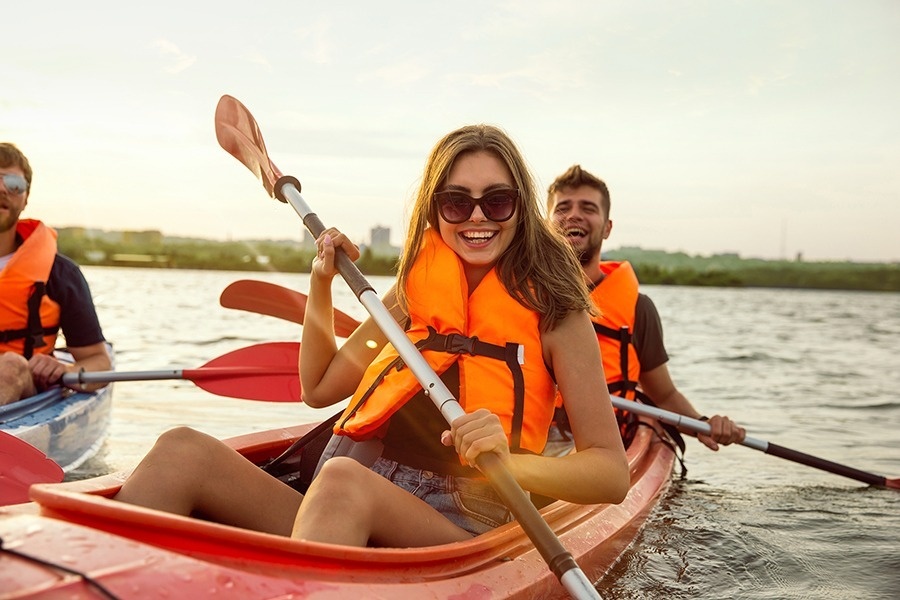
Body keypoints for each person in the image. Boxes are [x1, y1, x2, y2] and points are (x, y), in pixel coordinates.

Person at [115, 125, 630, 547]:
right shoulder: (410, 297)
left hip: (455, 524)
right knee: (180, 450)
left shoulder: (558, 313)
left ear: (522, 208)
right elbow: (319, 387)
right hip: (337, 504)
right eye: (456, 202)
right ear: (433, 208)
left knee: (342, 484)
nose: (477, 216)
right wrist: (321, 283)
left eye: (497, 201)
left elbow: (611, 473)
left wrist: (512, 464)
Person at [546, 164, 744, 452]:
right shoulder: (519, 296)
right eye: (563, 207)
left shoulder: (639, 309)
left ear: (607, 227)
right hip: (531, 438)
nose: (574, 215)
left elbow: (664, 396)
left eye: (588, 208)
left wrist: (703, 423)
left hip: (599, 445)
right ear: (546, 224)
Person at [0, 142, 111, 405]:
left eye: (14, 184)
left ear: (26, 197)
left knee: (12, 366)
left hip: (19, 391)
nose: (2, 189)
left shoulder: (60, 274)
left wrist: (67, 369)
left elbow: (99, 362)